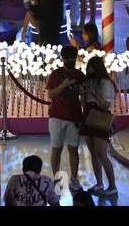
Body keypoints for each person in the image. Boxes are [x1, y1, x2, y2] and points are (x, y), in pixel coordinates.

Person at [46, 45, 85, 191]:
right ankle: (57, 178)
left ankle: (74, 179)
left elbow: (83, 96)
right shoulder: (55, 74)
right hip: (56, 116)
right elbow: (50, 94)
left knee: (73, 149)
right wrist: (63, 85)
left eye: (72, 58)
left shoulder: (80, 75)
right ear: (62, 59)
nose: (70, 61)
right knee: (56, 149)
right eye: (68, 59)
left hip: (74, 116)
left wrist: (83, 93)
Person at [79, 56, 118, 197]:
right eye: (88, 67)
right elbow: (84, 104)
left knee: (101, 152)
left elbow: (106, 105)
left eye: (92, 67)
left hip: (101, 116)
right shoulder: (88, 81)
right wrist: (83, 92)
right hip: (89, 115)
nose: (89, 70)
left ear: (97, 68)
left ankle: (112, 186)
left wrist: (94, 93)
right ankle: (99, 183)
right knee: (93, 152)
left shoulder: (106, 82)